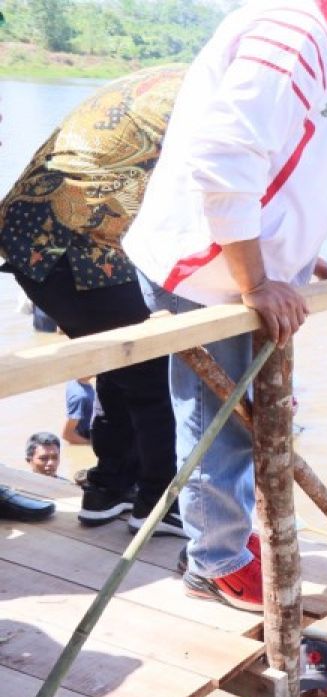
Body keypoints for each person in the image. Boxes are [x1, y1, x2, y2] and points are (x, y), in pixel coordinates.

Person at [124, 0, 327, 611]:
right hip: (207, 270)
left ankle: (221, 538)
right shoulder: (289, 36)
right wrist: (257, 282)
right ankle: (214, 561)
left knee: (248, 420)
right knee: (219, 420)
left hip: (244, 267)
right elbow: (224, 161)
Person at [0, 66, 185, 535]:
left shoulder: (179, 82)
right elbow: (229, 200)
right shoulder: (218, 102)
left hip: (39, 236)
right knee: (151, 373)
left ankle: (109, 490)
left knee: (121, 366)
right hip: (69, 242)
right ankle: (157, 507)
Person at [62, 377, 96, 445]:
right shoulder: (80, 397)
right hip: (88, 435)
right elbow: (67, 435)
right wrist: (91, 444)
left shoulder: (74, 381)